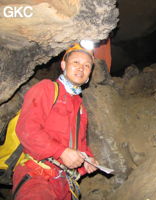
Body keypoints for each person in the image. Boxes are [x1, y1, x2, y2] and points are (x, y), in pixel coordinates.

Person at [12, 42, 99, 200]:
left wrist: (88, 159)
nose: (81, 68)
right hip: (37, 175)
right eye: (76, 62)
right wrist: (61, 152)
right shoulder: (47, 89)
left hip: (65, 183)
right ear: (64, 65)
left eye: (87, 66)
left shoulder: (80, 107)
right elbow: (27, 130)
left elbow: (79, 144)